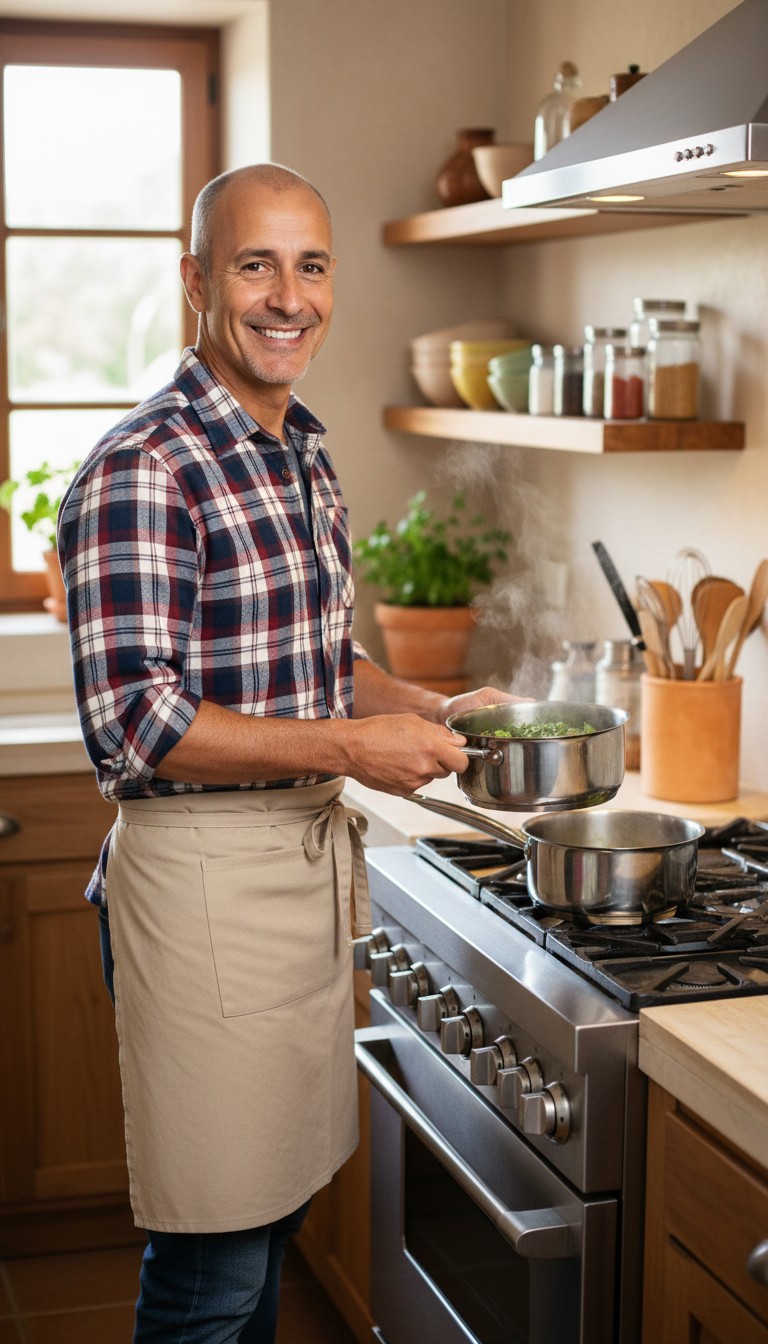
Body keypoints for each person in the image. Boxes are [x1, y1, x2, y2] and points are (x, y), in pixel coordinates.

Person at [57, 162, 515, 1344]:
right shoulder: (145, 467)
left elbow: (317, 662)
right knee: (212, 1265)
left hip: (293, 881)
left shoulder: (298, 451)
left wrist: (436, 706)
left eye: (311, 266)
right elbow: (137, 721)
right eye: (255, 265)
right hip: (203, 892)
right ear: (197, 281)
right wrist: (355, 747)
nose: (288, 297)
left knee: (264, 1232)